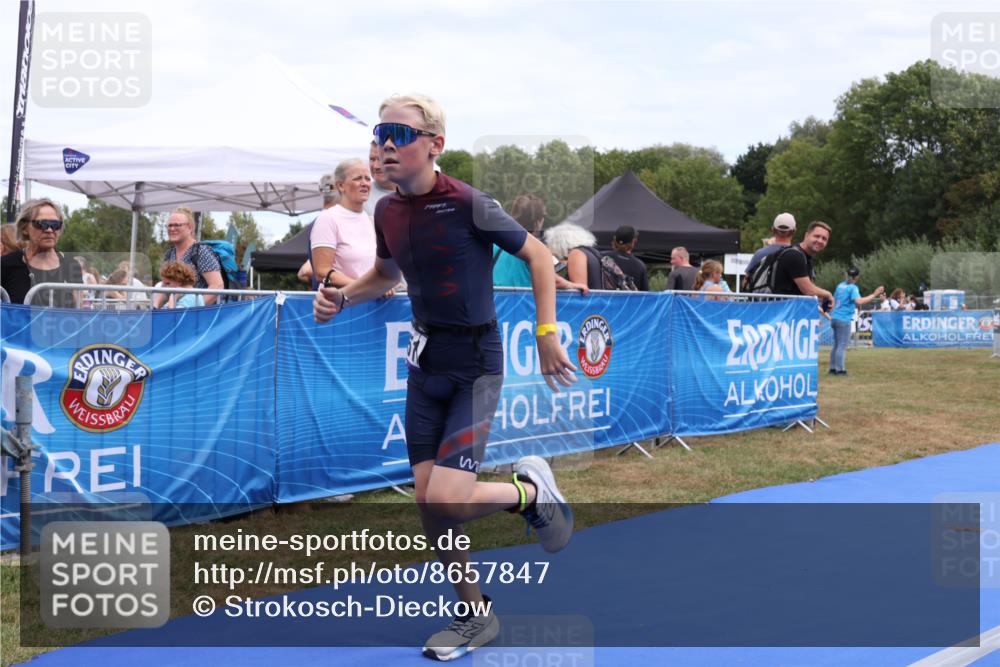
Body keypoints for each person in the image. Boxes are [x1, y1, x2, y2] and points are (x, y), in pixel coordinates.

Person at [313, 93, 575, 661]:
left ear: (434, 145)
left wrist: (547, 334)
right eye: (379, 134)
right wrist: (342, 296)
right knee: (430, 506)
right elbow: (385, 276)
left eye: (398, 135)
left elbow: (537, 257)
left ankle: (529, 492)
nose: (383, 145)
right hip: (423, 366)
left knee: (449, 500)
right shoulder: (385, 212)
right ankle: (474, 614)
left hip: (475, 364)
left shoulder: (470, 203)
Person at [493, 195, 588, 293]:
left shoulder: (495, 244)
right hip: (523, 304)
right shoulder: (537, 249)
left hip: (495, 303)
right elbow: (552, 281)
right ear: (538, 222)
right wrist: (573, 284)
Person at [0, 198, 82, 307]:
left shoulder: (71, 265)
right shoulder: (5, 264)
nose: (49, 230)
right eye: (41, 224)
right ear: (24, 228)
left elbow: (79, 312)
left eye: (55, 224)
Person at [310, 158, 377, 289]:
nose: (364, 183)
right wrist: (365, 287)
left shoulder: (371, 221)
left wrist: (384, 286)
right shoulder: (328, 219)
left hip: (370, 304)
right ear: (341, 185)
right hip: (339, 305)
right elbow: (322, 272)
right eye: (358, 178)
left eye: (368, 179)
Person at [154, 207, 224, 307]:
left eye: (177, 225)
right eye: (169, 225)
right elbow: (165, 286)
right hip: (176, 312)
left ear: (190, 227)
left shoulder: (201, 252)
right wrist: (154, 309)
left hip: (198, 317)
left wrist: (193, 309)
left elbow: (217, 286)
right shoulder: (169, 254)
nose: (172, 229)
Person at [828, 267, 883, 375]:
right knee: (842, 346)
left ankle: (832, 368)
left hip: (835, 317)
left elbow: (833, 300)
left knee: (836, 345)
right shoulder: (853, 288)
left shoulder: (840, 286)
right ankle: (840, 370)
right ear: (857, 277)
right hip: (844, 319)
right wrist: (874, 294)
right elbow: (859, 301)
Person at [770, 221, 834, 310]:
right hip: (779, 314)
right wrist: (828, 294)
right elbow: (808, 289)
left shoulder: (805, 258)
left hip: (788, 314)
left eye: (824, 239)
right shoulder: (795, 255)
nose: (820, 241)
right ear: (806, 235)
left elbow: (806, 291)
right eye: (817, 236)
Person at [298, 172, 341, 285]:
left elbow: (306, 271)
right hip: (337, 295)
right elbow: (319, 272)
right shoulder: (331, 221)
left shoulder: (317, 222)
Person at [743, 212, 796, 290]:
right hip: (791, 302)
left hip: (762, 301)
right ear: (794, 231)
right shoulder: (798, 255)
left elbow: (745, 282)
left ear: (773, 230)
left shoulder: (760, 254)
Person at [604, 225, 649, 291]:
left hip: (606, 300)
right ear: (633, 242)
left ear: (615, 239)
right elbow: (645, 294)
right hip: (629, 301)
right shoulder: (640, 266)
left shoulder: (602, 257)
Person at [363, 139, 396, 218]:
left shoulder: (418, 193)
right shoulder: (360, 196)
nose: (376, 166)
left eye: (381, 159)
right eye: (372, 159)